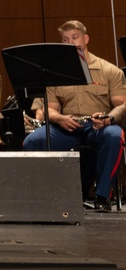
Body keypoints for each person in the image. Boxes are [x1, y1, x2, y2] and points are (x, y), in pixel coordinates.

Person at [23, 21, 126, 211]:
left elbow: (122, 104)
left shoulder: (109, 70)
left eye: (75, 37)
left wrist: (108, 118)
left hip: (98, 126)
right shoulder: (54, 73)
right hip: (67, 125)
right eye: (65, 39)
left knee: (114, 135)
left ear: (86, 39)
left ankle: (103, 197)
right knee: (33, 141)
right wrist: (60, 118)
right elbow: (46, 110)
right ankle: (48, 197)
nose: (71, 42)